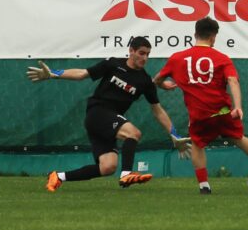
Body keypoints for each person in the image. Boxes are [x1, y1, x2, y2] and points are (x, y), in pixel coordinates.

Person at [27, 36, 191, 192]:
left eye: (148, 54)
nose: (145, 58)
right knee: (133, 133)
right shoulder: (113, 64)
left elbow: (157, 110)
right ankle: (126, 175)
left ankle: (58, 177)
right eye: (141, 53)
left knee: (107, 167)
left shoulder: (145, 81)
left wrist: (173, 134)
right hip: (97, 112)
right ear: (131, 51)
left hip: (110, 121)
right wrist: (54, 74)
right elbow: (82, 74)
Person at [152, 16, 248, 194]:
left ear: (195, 34)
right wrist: (238, 106)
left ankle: (204, 186)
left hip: (199, 115)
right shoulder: (222, 58)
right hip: (222, 111)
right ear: (213, 37)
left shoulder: (177, 58)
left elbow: (156, 79)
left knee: (197, 144)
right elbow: (233, 81)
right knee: (240, 138)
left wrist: (163, 85)